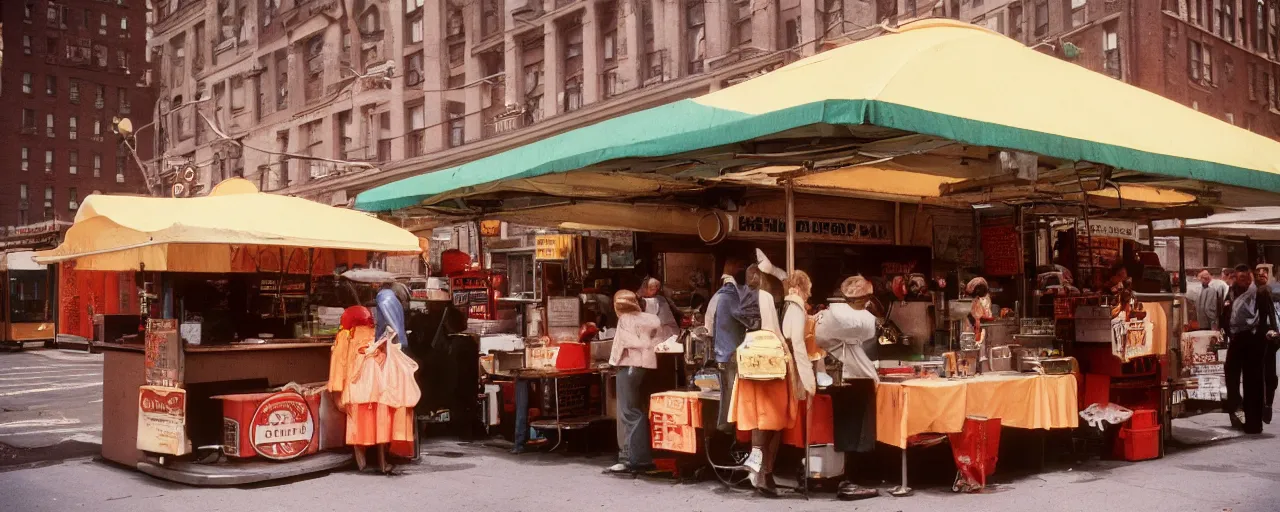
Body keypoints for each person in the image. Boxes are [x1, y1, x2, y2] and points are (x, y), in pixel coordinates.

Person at [729, 262, 795, 498]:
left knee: (756, 418)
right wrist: (787, 354)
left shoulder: (737, 297)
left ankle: (757, 468)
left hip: (747, 363)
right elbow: (774, 329)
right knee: (774, 420)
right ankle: (764, 470)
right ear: (758, 276)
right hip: (770, 364)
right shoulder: (765, 297)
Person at [815, 276, 881, 501]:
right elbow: (870, 330)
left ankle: (843, 477)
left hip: (838, 375)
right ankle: (850, 480)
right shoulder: (850, 317)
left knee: (843, 428)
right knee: (855, 430)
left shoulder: (827, 314)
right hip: (854, 376)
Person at [606, 289, 663, 474]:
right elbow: (656, 330)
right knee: (637, 410)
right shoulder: (647, 318)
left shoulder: (625, 320)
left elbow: (622, 343)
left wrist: (612, 363)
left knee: (629, 412)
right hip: (643, 366)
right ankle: (638, 456)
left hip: (628, 366)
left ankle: (633, 458)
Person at [703, 256, 757, 432]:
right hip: (731, 353)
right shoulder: (729, 294)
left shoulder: (719, 295)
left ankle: (726, 432)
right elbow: (744, 317)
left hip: (723, 352)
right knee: (732, 399)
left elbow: (709, 327)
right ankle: (729, 434)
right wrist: (758, 324)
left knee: (728, 397)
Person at [1222, 264, 1268, 433]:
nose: (1244, 281)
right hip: (1236, 338)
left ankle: (1254, 423)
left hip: (1253, 339)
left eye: (1246, 278)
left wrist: (1265, 335)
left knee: (1253, 381)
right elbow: (1226, 312)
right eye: (1240, 278)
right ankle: (1236, 407)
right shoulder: (1232, 291)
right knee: (1230, 372)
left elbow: (1265, 315)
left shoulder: (1260, 292)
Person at [1254, 267, 1280, 425]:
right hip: (1258, 339)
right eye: (1259, 274)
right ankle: (1263, 404)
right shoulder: (1255, 294)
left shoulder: (1270, 292)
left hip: (1270, 339)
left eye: (1265, 273)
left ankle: (1267, 404)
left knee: (1269, 375)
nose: (1262, 276)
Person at [638, 276, 684, 341]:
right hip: (659, 336)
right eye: (652, 289)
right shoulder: (643, 301)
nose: (655, 291)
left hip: (669, 335)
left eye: (656, 289)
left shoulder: (660, 299)